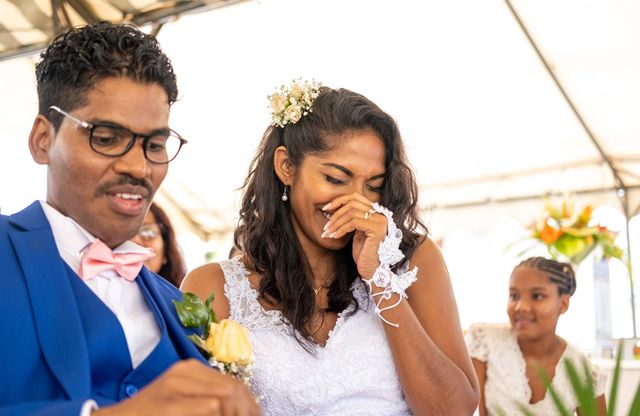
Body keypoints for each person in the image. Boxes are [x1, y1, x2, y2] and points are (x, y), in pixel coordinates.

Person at [0, 22, 260, 416]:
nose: (139, 167)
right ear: (42, 139)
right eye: (105, 138)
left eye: (154, 145)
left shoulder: (178, 305)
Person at [182, 81, 479, 415]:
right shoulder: (214, 287)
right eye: (336, 179)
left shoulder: (414, 263)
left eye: (373, 186)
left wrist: (380, 279)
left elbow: (454, 410)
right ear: (286, 167)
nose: (356, 201)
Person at [467, 256, 607, 415]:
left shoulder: (584, 372)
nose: (521, 307)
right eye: (514, 296)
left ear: (563, 304)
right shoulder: (484, 341)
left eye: (537, 296)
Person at [133, 202, 187, 287]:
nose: (136, 241)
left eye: (147, 232)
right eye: (126, 235)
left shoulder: (182, 298)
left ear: (166, 250)